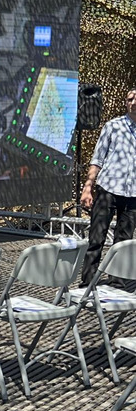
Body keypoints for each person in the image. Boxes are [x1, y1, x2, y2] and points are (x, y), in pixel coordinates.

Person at [79, 88, 136, 286]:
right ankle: (87, 283)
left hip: (132, 194)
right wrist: (88, 187)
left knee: (124, 243)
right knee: (96, 238)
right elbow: (97, 158)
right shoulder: (113, 126)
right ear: (126, 103)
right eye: (130, 98)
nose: (134, 101)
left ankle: (117, 284)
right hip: (108, 189)